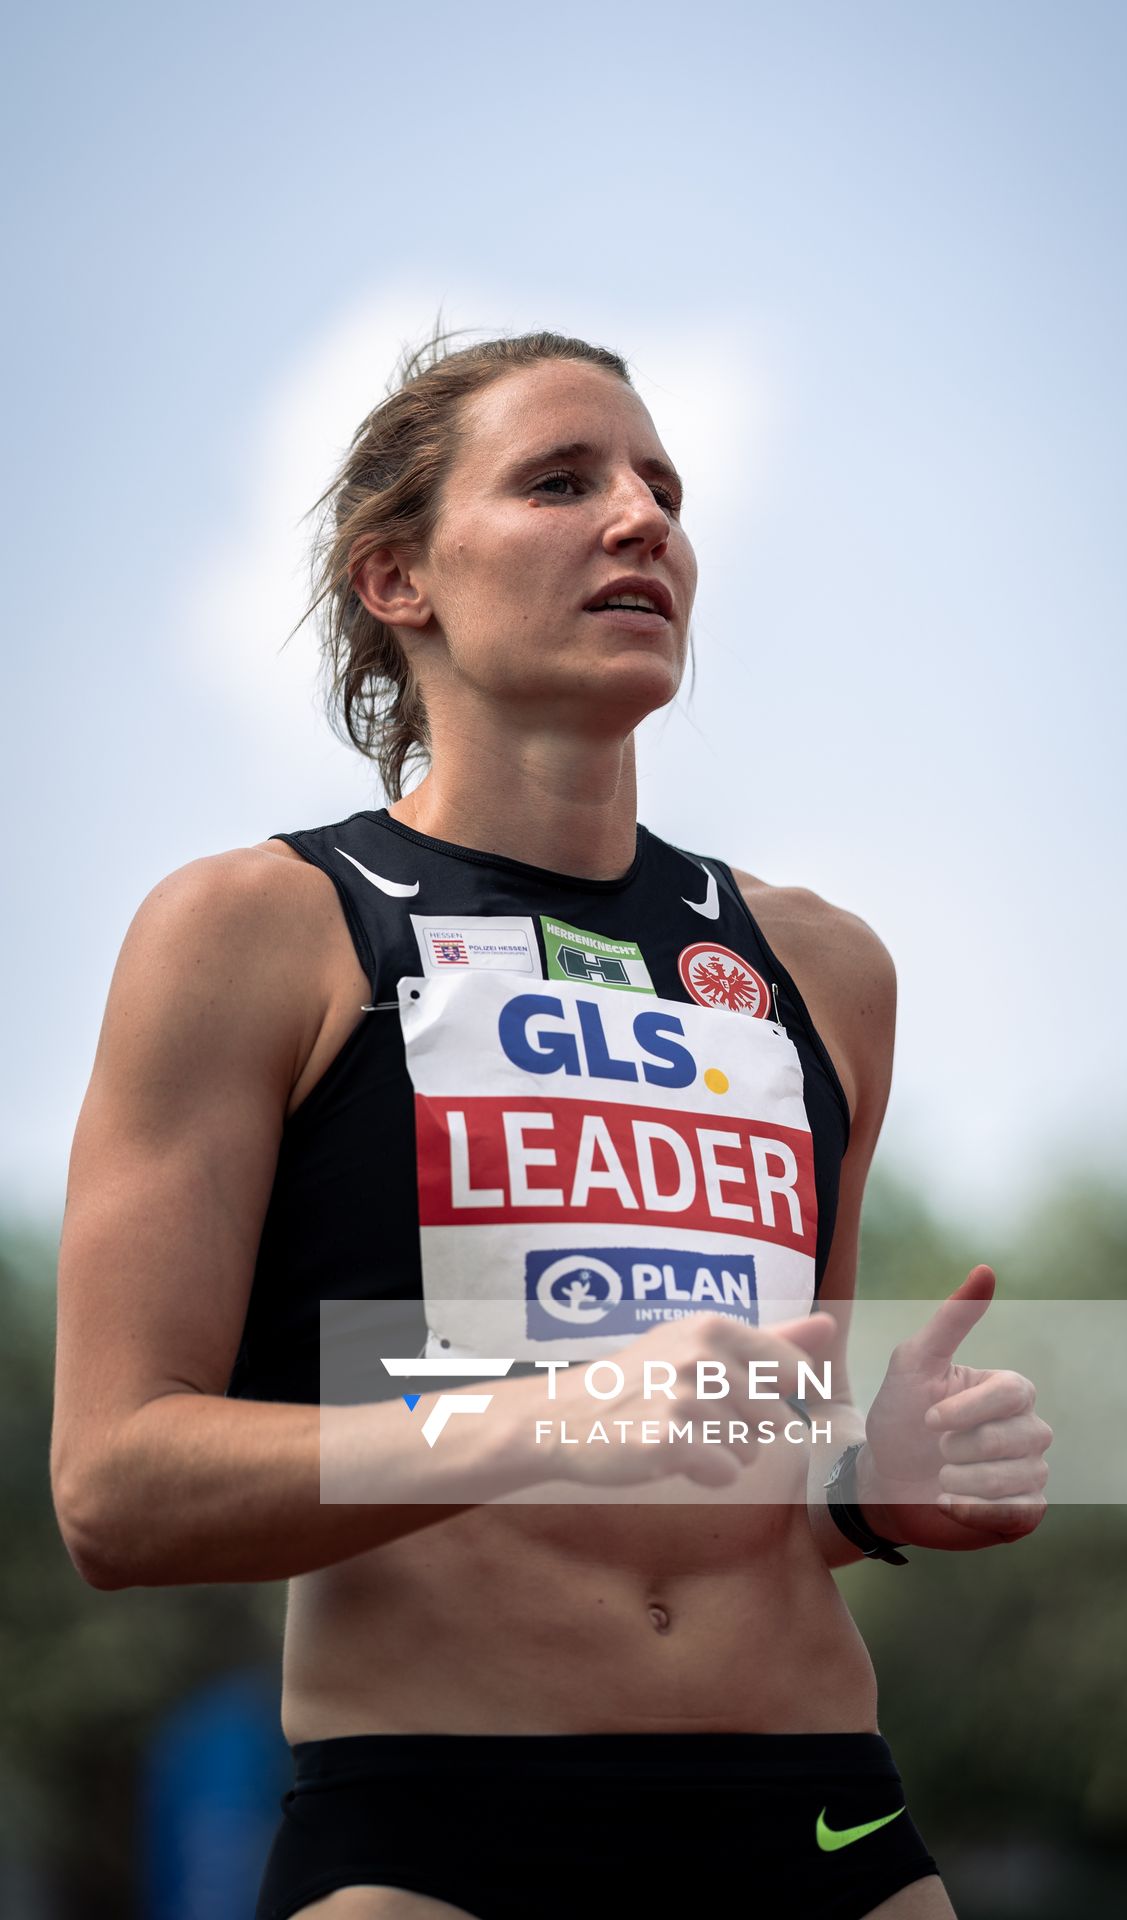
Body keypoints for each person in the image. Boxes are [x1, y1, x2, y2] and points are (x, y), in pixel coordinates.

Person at [52, 328, 1053, 1919]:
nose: (643, 520)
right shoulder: (255, 929)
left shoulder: (823, 966)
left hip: (820, 1821)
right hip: (436, 1831)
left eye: (663, 487)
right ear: (399, 579)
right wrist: (551, 1412)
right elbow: (115, 1489)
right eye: (561, 481)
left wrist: (867, 1489)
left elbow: (749, 1465)